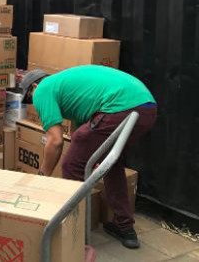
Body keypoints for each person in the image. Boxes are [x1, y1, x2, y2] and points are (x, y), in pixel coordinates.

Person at [19, 65, 157, 249]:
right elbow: (80, 133)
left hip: (120, 106)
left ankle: (72, 233)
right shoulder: (70, 88)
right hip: (146, 107)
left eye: (29, 98)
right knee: (111, 165)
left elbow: (56, 140)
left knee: (71, 166)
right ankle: (125, 228)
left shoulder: (43, 89)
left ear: (34, 86)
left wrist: (43, 175)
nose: (33, 104)